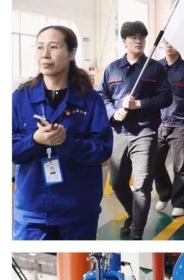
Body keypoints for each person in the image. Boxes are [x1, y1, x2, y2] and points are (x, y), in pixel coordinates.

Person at [12, 25, 113, 239]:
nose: (45, 54)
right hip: (33, 212)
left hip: (78, 210)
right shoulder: (20, 97)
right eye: (40, 47)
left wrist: (66, 142)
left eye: (53, 47)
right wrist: (34, 140)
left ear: (72, 53)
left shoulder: (90, 99)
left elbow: (102, 149)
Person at [100, 20, 172, 240]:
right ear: (124, 41)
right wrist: (113, 113)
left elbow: (166, 97)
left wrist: (139, 104)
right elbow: (102, 96)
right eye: (133, 37)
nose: (138, 41)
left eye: (142, 37)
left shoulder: (155, 68)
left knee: (141, 185)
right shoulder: (112, 69)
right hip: (119, 132)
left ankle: (137, 234)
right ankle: (133, 214)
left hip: (145, 131)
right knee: (117, 183)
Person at [153, 39, 184, 218]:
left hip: (181, 124)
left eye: (173, 42)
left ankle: (179, 202)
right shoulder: (155, 67)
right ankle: (165, 192)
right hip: (157, 123)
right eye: (166, 42)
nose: (169, 45)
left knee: (181, 167)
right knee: (153, 162)